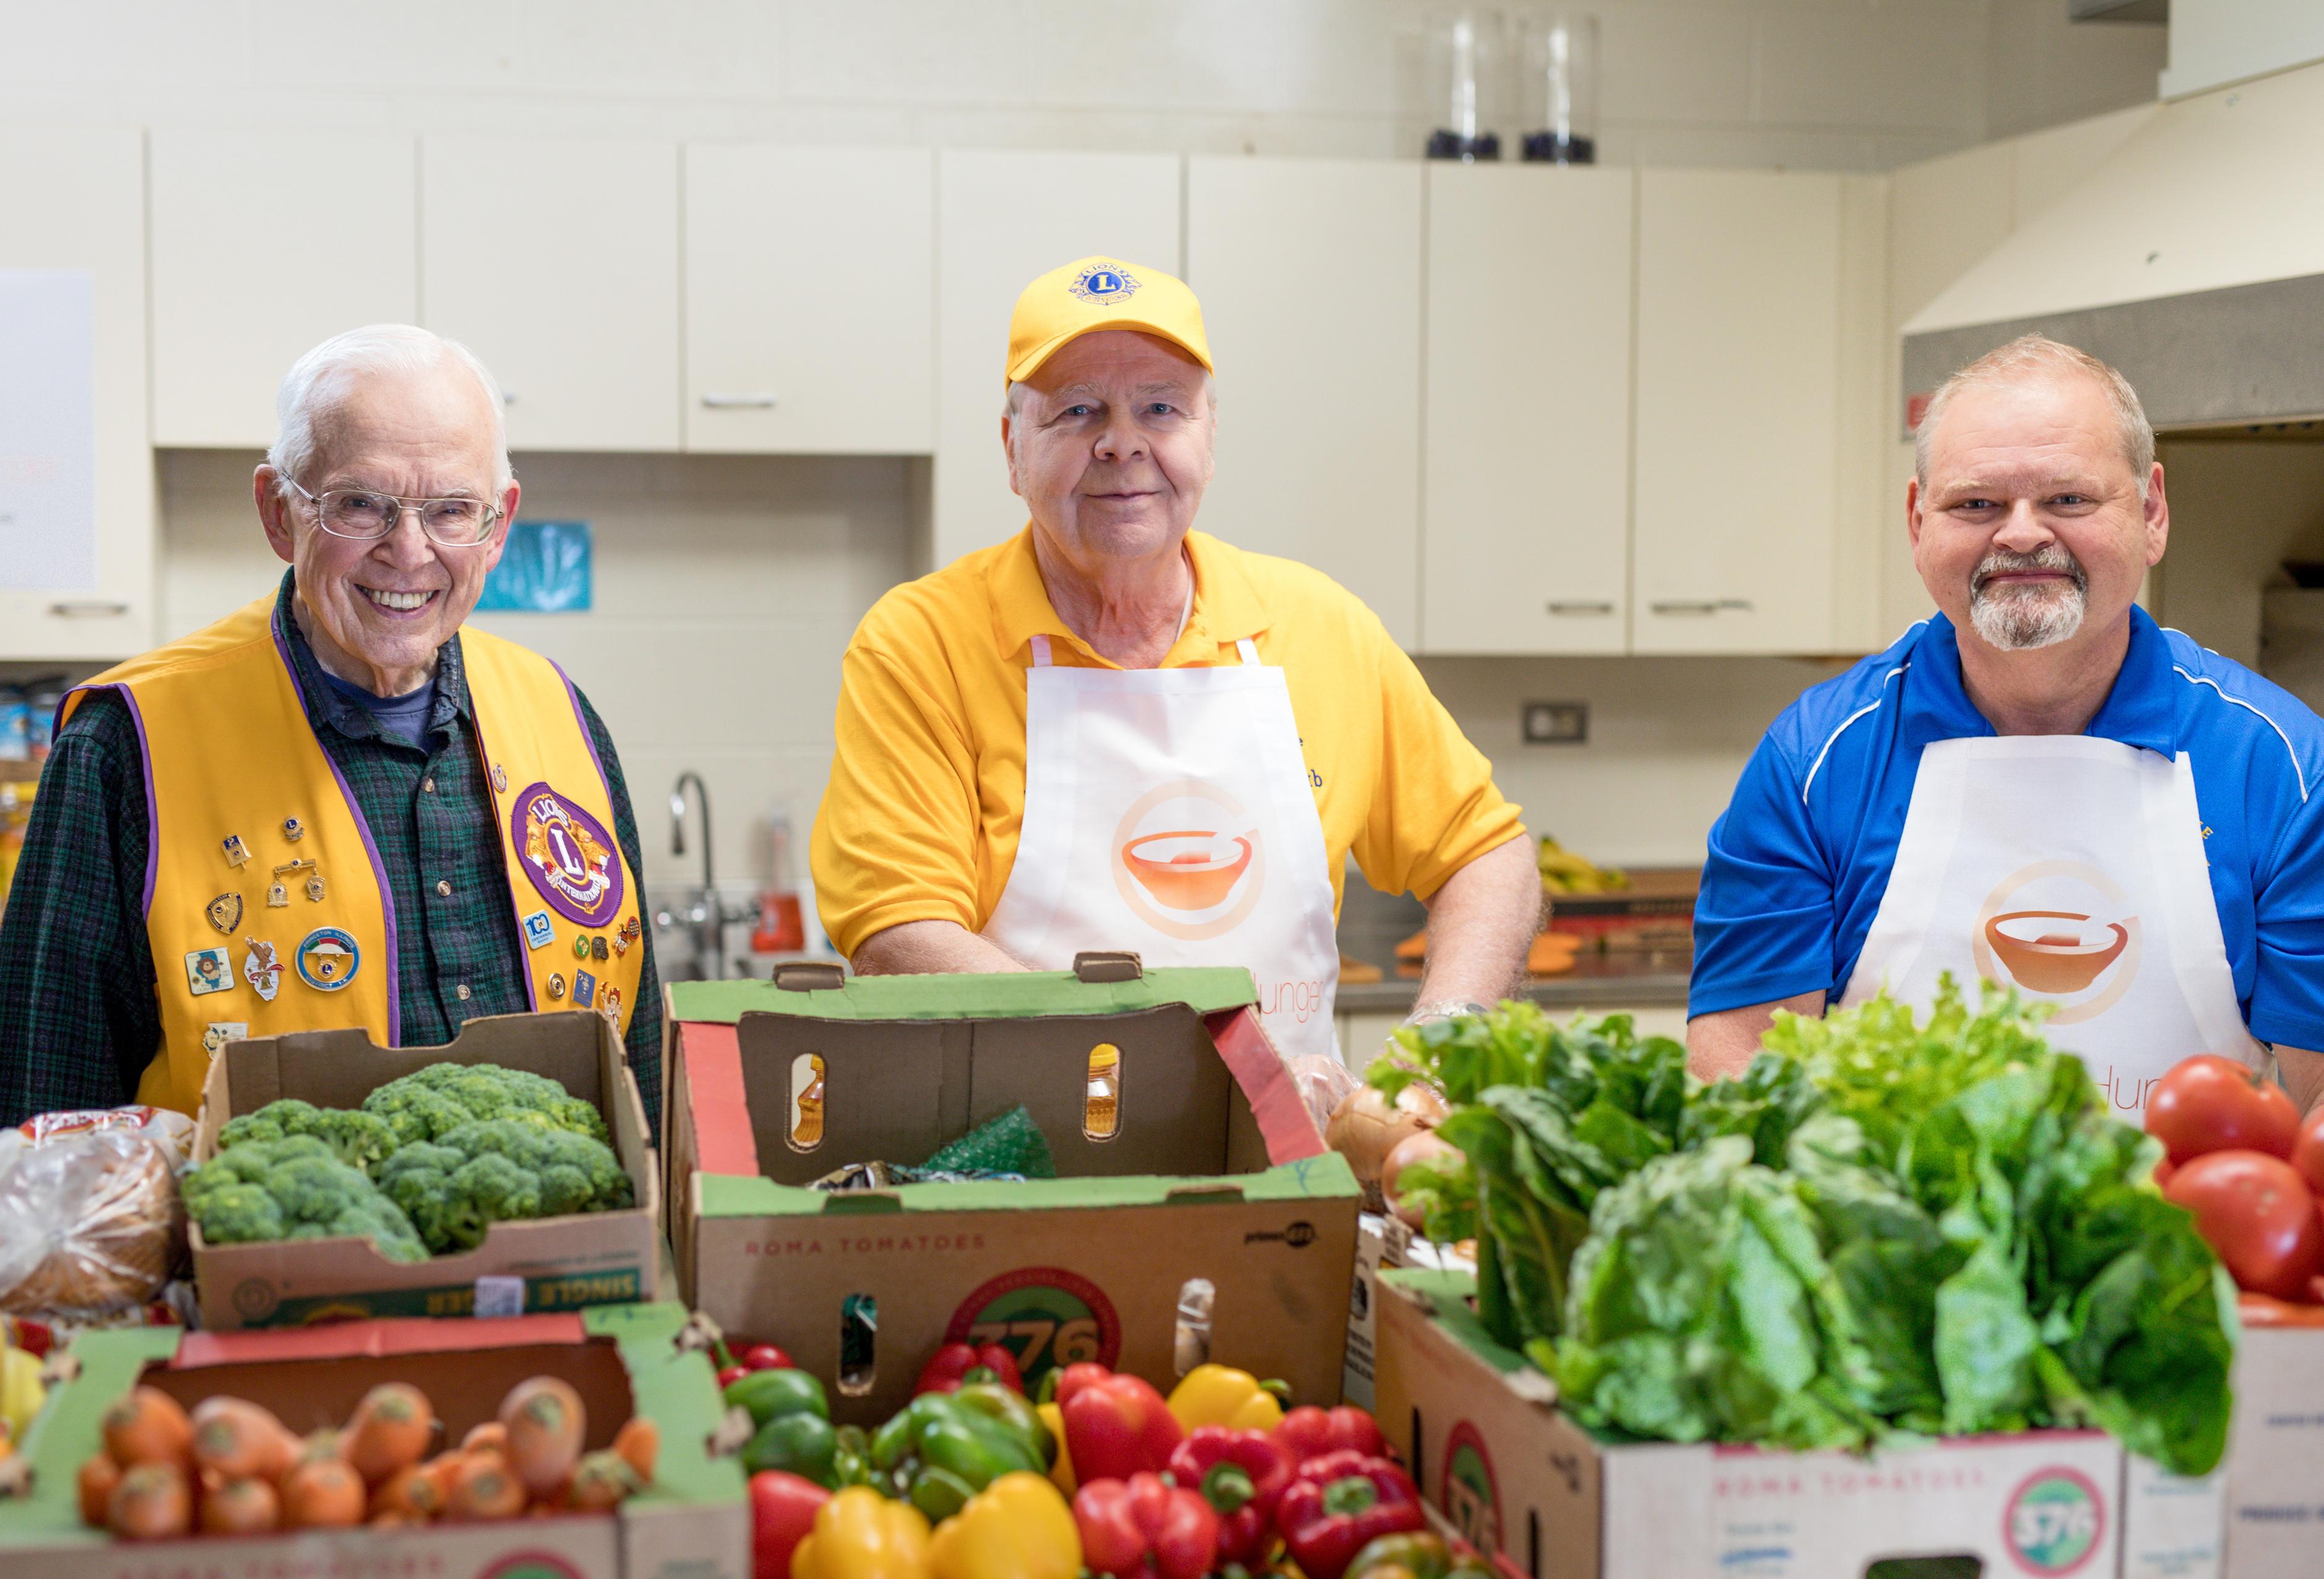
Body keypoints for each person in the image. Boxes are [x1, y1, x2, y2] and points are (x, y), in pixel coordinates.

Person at [811, 256, 1538, 1073]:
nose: (1122, 443)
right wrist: (1177, 1076)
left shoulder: (1318, 626)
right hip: (1017, 1164)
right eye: (1078, 411)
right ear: (1013, 448)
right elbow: (898, 931)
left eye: (1161, 408)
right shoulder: (923, 643)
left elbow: (1485, 851)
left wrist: (1441, 1038)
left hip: (1288, 1177)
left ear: (1209, 437)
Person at [0, 325, 662, 1123]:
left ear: (498, 525)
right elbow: (40, 1125)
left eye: (450, 510)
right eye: (361, 505)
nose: (408, 552)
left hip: (569, 1248)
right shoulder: (128, 745)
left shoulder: (563, 718)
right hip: (232, 1247)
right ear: (276, 512)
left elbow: (637, 1076)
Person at [1687, 335, 2324, 1115]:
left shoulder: (2280, 766)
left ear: (2152, 512)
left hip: (2191, 1232)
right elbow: (1742, 1074)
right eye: (1977, 504)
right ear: (1919, 522)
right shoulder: (1813, 762)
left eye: (2068, 499)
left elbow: (2318, 1100)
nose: (2021, 534)